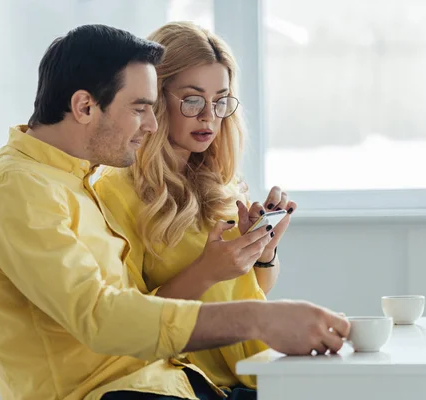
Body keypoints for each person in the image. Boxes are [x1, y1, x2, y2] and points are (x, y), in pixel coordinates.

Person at [0, 24, 350, 400]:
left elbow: (129, 306)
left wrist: (261, 258)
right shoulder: (17, 188)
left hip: (167, 381)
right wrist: (257, 318)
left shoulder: (74, 180)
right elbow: (100, 316)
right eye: (142, 107)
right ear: (84, 106)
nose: (151, 124)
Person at [94, 21, 296, 391]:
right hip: (186, 384)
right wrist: (207, 270)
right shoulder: (115, 194)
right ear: (155, 97)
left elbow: (251, 290)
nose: (209, 116)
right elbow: (126, 323)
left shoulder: (218, 183)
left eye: (220, 100)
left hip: (252, 373)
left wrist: (262, 253)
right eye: (192, 99)